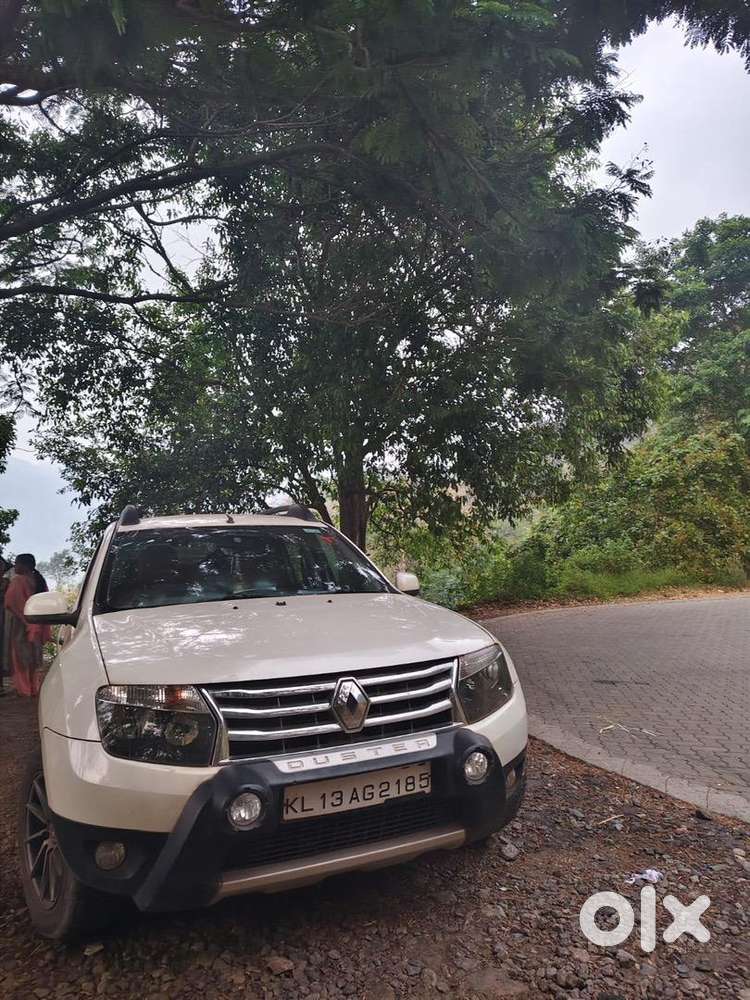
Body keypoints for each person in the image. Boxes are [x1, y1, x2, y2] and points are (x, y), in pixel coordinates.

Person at [3, 553, 51, 697]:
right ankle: (33, 687)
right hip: (37, 623)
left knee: (20, 657)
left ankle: (24, 689)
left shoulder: (18, 581)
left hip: (21, 623)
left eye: (17, 564)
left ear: (25, 566)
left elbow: (12, 602)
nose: (15, 567)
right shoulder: (38, 580)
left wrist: (25, 621)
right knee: (33, 658)